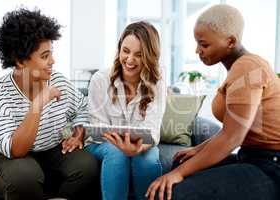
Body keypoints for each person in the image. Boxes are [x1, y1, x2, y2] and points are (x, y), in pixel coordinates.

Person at [146, 4, 280, 200]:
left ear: (230, 41)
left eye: (204, 44)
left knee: (173, 192)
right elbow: (232, 130)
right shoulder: (239, 68)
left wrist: (177, 175)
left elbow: (232, 137)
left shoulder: (248, 68)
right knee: (181, 162)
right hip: (251, 156)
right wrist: (196, 150)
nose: (197, 50)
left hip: (271, 166)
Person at [0, 8, 99, 200]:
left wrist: (78, 133)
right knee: (24, 176)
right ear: (20, 61)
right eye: (45, 56)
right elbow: (16, 149)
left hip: (52, 150)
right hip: (8, 156)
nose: (53, 61)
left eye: (51, 53)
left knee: (87, 165)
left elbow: (82, 108)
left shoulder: (58, 81)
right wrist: (39, 102)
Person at [86, 21, 166, 200]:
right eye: (126, 51)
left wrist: (137, 149)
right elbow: (98, 127)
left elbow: (152, 129)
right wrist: (122, 146)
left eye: (139, 55)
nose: (129, 60)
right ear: (119, 49)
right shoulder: (100, 79)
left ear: (150, 56)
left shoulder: (157, 83)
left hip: (140, 144)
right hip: (102, 144)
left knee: (147, 160)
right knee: (116, 154)